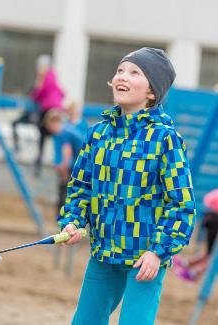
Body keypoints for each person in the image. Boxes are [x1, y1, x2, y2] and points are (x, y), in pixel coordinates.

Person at [57, 47, 196, 325]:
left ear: (152, 93)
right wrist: (72, 220)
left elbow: (181, 204)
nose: (123, 76)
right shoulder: (97, 134)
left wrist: (158, 252)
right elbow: (81, 187)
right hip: (104, 253)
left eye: (135, 72)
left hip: (145, 259)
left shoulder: (165, 140)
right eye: (120, 70)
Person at [12, 54, 65, 176]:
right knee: (48, 137)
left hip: (48, 110)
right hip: (54, 110)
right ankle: (44, 163)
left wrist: (33, 94)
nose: (39, 68)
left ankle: (36, 162)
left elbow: (37, 94)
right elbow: (61, 93)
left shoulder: (45, 77)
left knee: (42, 135)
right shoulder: (53, 77)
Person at [173, 189, 218, 281]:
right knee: (213, 255)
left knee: (211, 252)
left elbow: (208, 199)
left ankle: (186, 264)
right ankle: (192, 273)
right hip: (215, 218)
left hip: (209, 215)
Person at [44, 109, 83, 214]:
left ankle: (64, 214)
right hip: (77, 164)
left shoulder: (63, 133)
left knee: (66, 189)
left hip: (78, 165)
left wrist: (63, 171)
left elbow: (67, 153)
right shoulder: (65, 130)